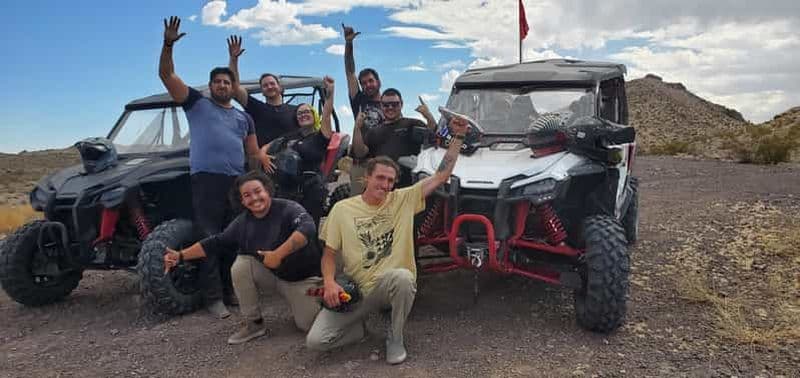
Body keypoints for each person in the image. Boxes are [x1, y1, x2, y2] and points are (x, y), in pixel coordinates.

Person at [306, 116, 470, 364]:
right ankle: (359, 328)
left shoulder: (402, 200)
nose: (385, 185)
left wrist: (457, 138)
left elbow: (441, 175)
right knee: (316, 342)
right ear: (366, 178)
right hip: (358, 290)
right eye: (380, 178)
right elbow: (329, 254)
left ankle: (395, 336)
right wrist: (329, 283)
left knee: (403, 277)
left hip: (390, 284)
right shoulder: (342, 209)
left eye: (390, 180)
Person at [158, 17, 272, 318]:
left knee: (233, 236)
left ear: (233, 86)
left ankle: (231, 289)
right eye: (218, 82)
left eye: (227, 82)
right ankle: (213, 297)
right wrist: (168, 43)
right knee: (208, 235)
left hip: (236, 182)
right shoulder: (196, 103)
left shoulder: (242, 118)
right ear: (210, 86)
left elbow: (252, 152)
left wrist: (261, 169)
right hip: (207, 180)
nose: (223, 85)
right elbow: (166, 74)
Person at [164, 171, 322, 345]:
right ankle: (254, 324)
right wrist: (180, 255)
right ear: (242, 201)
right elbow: (216, 242)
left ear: (268, 190)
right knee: (241, 266)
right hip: (273, 275)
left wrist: (279, 254)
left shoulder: (289, 208)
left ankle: (317, 298)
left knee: (308, 325)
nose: (254, 198)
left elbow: (308, 228)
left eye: (257, 191)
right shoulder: (242, 222)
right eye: (247, 195)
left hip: (302, 279)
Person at [265, 76, 336, 226]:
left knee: (307, 227)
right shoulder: (289, 136)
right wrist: (262, 157)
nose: (303, 114)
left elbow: (327, 114)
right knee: (287, 226)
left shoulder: (320, 136)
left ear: (314, 115)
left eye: (307, 112)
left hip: (311, 189)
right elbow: (266, 147)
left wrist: (331, 92)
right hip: (288, 190)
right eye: (299, 113)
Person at [350, 88, 437, 188]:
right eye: (386, 105)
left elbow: (433, 138)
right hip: (381, 188)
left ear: (401, 104)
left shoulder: (412, 124)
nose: (390, 107)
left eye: (394, 104)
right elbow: (359, 153)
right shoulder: (373, 131)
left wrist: (429, 116)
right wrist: (357, 128)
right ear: (381, 106)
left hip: (409, 188)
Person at [227, 35, 298, 149]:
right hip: (264, 163)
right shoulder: (256, 108)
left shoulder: (296, 110)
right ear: (262, 92)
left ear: (280, 88)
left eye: (272, 83)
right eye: (265, 85)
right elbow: (235, 88)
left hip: (293, 163)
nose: (269, 87)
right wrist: (233, 59)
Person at [341, 23, 385, 195]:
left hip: (382, 163)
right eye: (364, 82)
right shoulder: (359, 100)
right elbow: (350, 72)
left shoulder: (390, 104)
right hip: (361, 164)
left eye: (371, 81)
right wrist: (349, 44)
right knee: (358, 206)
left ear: (378, 82)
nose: (368, 85)